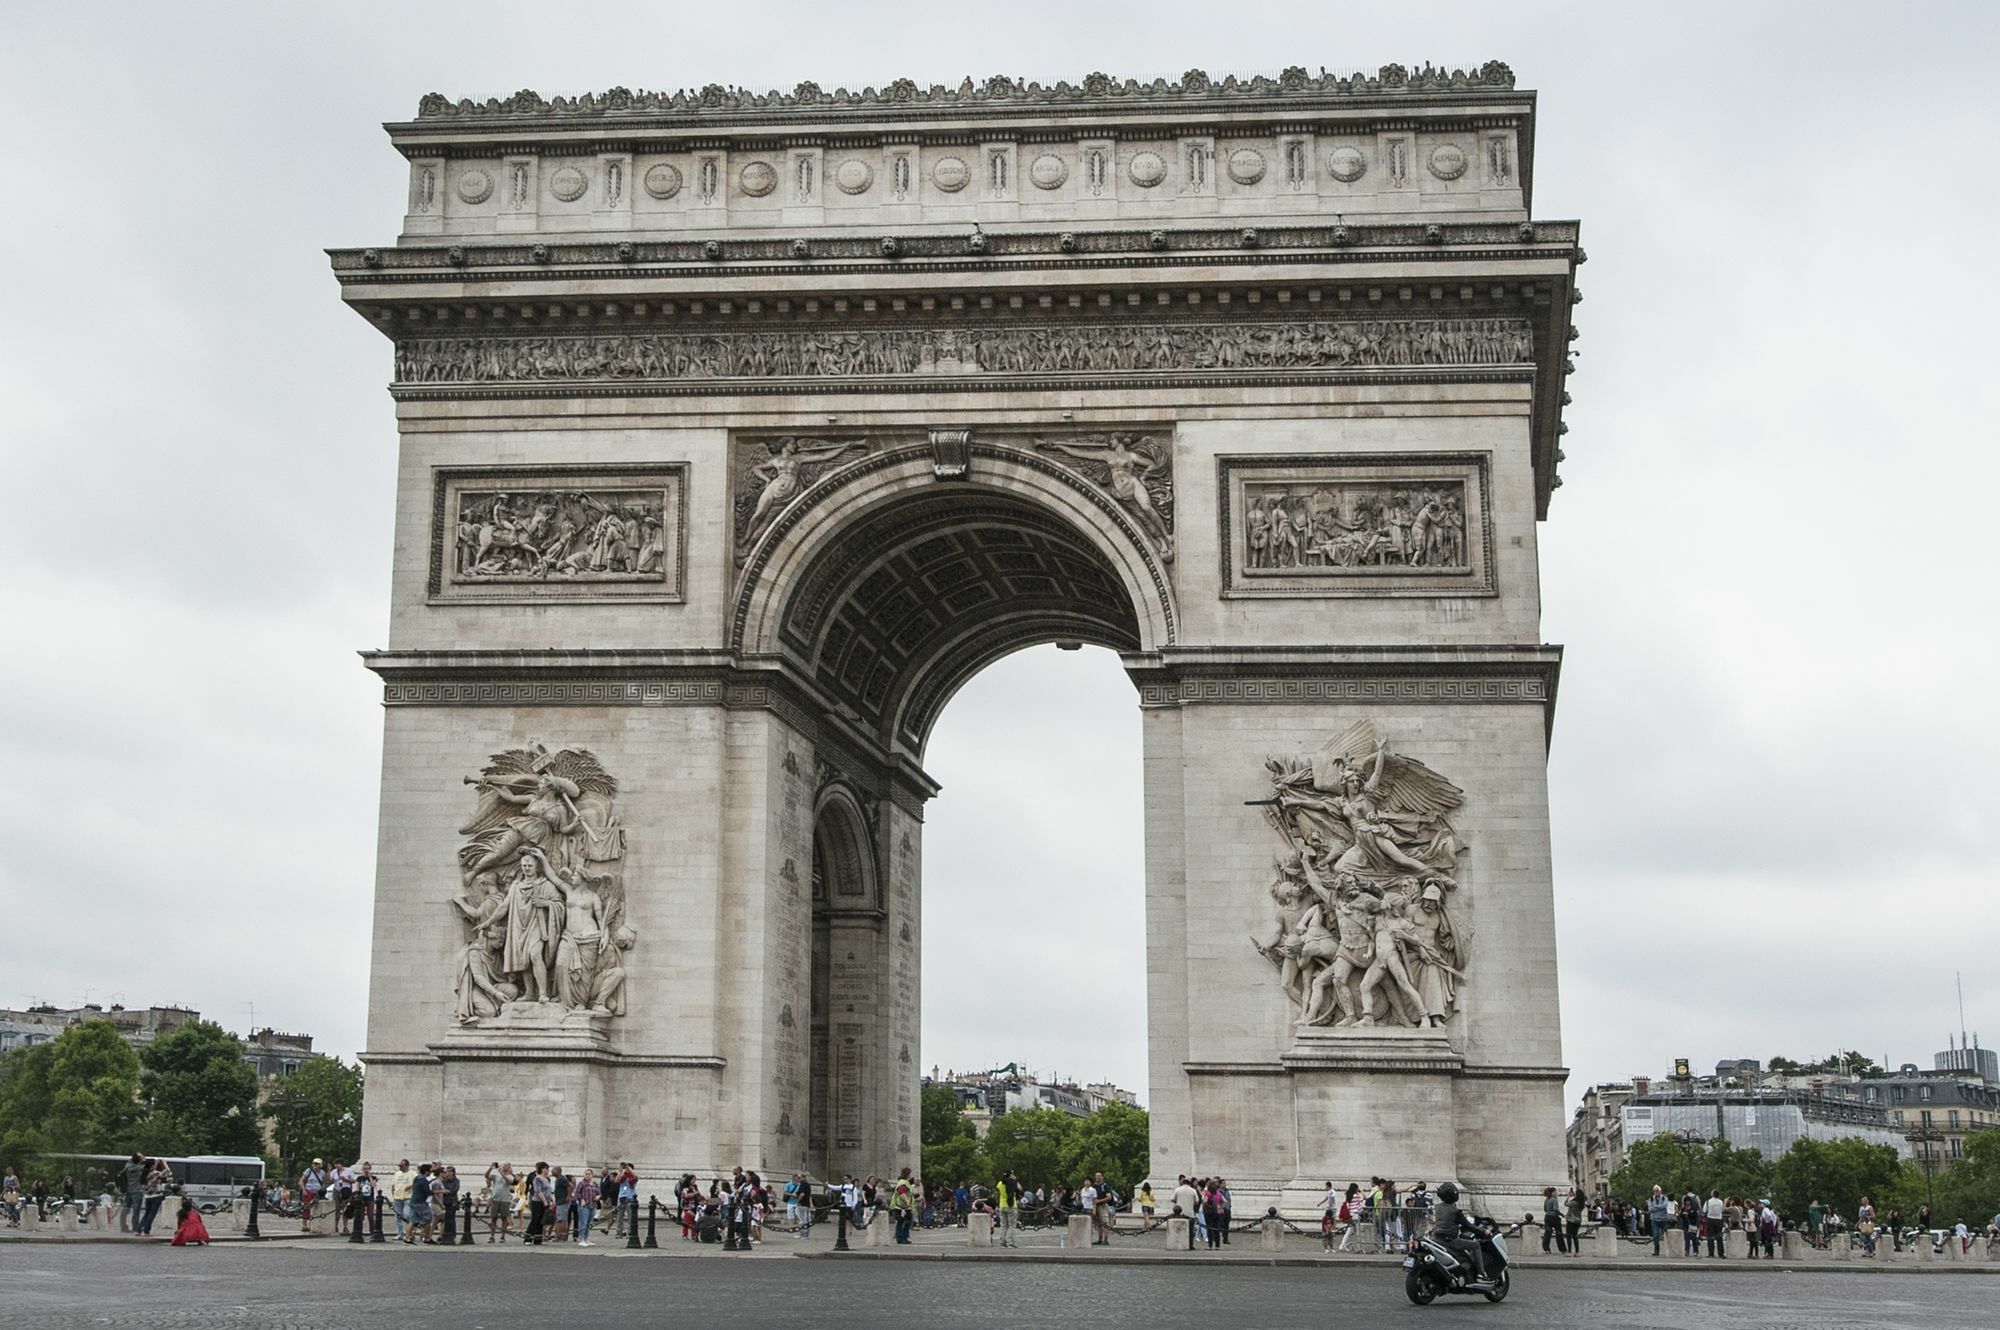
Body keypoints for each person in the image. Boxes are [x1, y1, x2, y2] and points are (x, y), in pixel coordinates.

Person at [1431, 1181, 1486, 1282]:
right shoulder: (1455, 1211)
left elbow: (1445, 1222)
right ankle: (1481, 1274)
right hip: (1450, 1240)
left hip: (1437, 1239)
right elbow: (1469, 1225)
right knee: (1476, 1245)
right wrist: (1482, 1232)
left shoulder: (1437, 1208)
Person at [120, 1153, 147, 1235]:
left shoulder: (128, 1165)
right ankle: (135, 1227)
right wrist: (144, 1160)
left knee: (125, 1208)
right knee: (136, 1210)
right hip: (137, 1191)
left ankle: (123, 1226)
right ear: (139, 1159)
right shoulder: (139, 1167)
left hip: (128, 1190)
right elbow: (147, 1166)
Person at [1172, 1175, 1200, 1250]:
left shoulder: (1178, 1190)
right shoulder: (1193, 1190)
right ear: (1189, 1183)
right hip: (1190, 1213)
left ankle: (1179, 1244)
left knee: (1179, 1229)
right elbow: (1197, 1201)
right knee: (1190, 1231)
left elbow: (1172, 1199)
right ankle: (1190, 1245)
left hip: (1179, 1213)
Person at [572, 1171, 599, 1246]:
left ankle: (586, 1238)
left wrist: (598, 1196)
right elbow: (577, 1193)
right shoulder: (581, 1183)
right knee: (583, 1222)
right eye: (585, 1174)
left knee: (589, 1223)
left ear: (592, 1175)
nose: (587, 1176)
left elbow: (599, 1193)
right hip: (584, 1205)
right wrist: (581, 1199)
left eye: (588, 1174)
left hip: (593, 1204)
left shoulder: (595, 1184)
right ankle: (581, 1239)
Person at [1646, 1185, 1673, 1256]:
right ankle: (1656, 1250)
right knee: (1655, 1235)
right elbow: (1650, 1209)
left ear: (1660, 1191)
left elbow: (1665, 1205)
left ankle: (1671, 1249)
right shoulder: (1651, 1199)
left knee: (1668, 1235)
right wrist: (1658, 1208)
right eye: (1655, 1191)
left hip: (1664, 1219)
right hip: (1655, 1220)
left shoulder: (1664, 1198)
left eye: (1657, 1190)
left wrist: (1655, 1207)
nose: (1656, 1192)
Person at [995, 1172, 1019, 1248]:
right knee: (1012, 1225)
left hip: (1002, 1204)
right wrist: (1015, 1179)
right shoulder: (1013, 1182)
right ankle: (1011, 1242)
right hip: (1011, 1205)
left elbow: (999, 1193)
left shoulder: (1000, 1183)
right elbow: (1020, 1188)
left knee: (1004, 1225)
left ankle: (1002, 1241)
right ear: (1010, 1175)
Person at [1541, 1186, 1564, 1254]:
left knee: (1547, 1234)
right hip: (1554, 1218)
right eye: (1555, 1191)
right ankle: (1562, 1249)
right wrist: (1561, 1214)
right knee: (1559, 1234)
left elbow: (1545, 1209)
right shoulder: (1554, 1200)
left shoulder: (1547, 1200)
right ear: (1552, 1192)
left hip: (1547, 1217)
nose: (1556, 1193)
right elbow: (1555, 1209)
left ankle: (1546, 1248)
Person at [1564, 1186, 1585, 1256]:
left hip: (1571, 1220)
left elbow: (1565, 1204)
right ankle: (1577, 1252)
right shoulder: (1582, 1204)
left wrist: (1568, 1196)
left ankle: (1569, 1252)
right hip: (1578, 1220)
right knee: (1575, 1236)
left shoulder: (1573, 1202)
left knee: (1569, 1236)